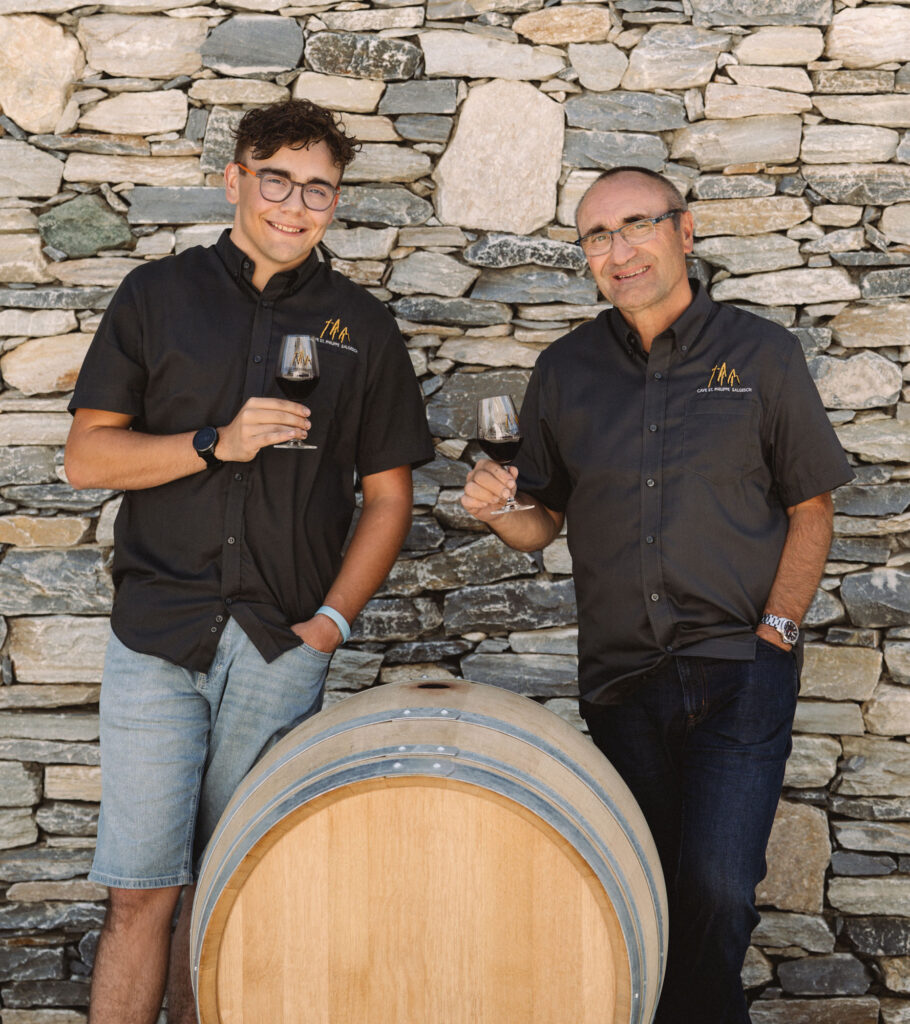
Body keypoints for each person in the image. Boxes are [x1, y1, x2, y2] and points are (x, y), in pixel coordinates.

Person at [65, 99, 433, 1024]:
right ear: (235, 180)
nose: (295, 205)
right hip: (158, 636)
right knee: (141, 893)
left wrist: (329, 627)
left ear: (335, 202)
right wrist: (213, 444)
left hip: (279, 648)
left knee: (231, 896)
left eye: (318, 190)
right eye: (277, 181)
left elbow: (389, 498)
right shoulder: (157, 296)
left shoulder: (362, 326)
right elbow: (88, 458)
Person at [461, 166, 853, 1024]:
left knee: (718, 888)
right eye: (598, 236)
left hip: (739, 669)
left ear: (684, 230)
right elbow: (541, 522)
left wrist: (778, 634)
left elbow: (812, 508)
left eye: (637, 224)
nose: (620, 250)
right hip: (622, 682)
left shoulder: (763, 355)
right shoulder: (565, 369)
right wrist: (499, 509)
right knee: (641, 890)